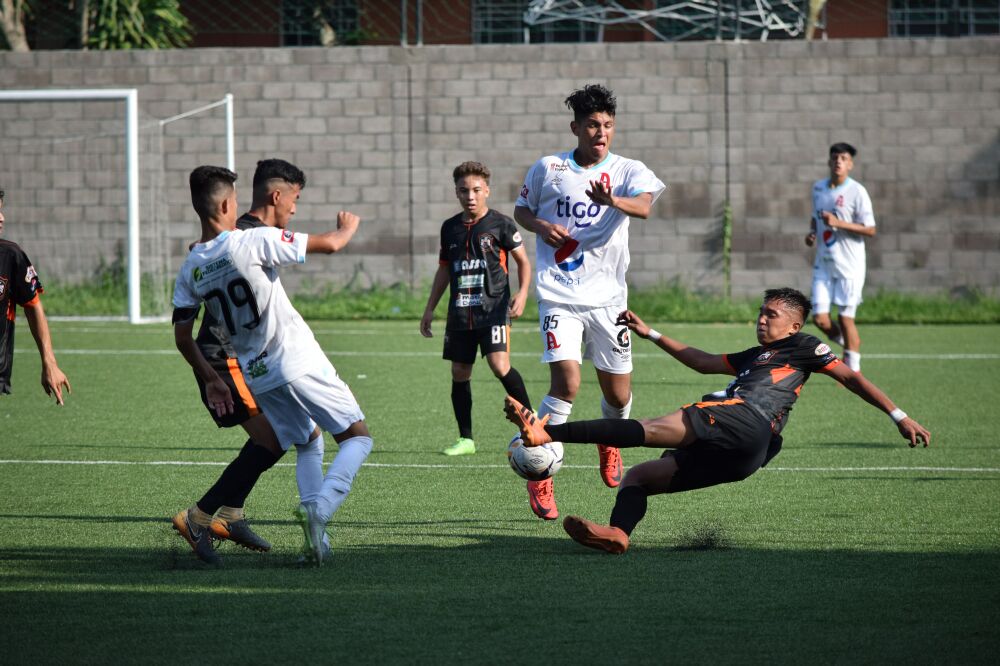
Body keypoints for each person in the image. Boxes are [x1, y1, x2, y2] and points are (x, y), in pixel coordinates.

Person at [503, 288, 930, 554]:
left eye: (771, 315)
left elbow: (851, 378)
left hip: (742, 419)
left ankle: (544, 433)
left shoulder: (804, 346)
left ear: (795, 325)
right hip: (745, 456)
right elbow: (703, 361)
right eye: (761, 312)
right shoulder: (756, 356)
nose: (761, 319)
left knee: (650, 429)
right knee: (639, 478)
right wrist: (651, 334)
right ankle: (618, 533)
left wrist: (899, 415)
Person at [172, 165, 371, 566]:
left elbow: (182, 337)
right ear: (226, 205)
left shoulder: (191, 266)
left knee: (308, 439)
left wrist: (210, 379)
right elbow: (331, 245)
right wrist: (348, 227)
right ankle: (320, 510)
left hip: (258, 375)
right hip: (296, 359)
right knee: (357, 439)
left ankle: (316, 542)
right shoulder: (253, 241)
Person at [513, 83, 665, 520]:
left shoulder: (628, 169)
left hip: (608, 299)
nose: (602, 133)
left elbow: (644, 207)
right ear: (575, 127)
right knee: (566, 384)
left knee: (618, 395)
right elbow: (522, 211)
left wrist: (611, 200)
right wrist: (541, 226)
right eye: (594, 125)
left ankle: (609, 439)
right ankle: (539, 467)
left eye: (608, 125)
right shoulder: (549, 168)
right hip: (559, 293)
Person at [420, 161, 533, 456]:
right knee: (459, 372)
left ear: (487, 191)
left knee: (499, 366)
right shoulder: (450, 228)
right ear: (456, 193)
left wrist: (522, 293)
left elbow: (523, 262)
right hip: (460, 313)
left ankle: (531, 422)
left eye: (476, 190)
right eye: (463, 190)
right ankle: (466, 439)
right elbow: (444, 269)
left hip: (494, 310)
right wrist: (430, 308)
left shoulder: (501, 224)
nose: (470, 196)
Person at [805, 142, 876, 374]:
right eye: (835, 157)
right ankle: (849, 343)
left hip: (850, 266)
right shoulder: (818, 188)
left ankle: (853, 372)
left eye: (843, 158)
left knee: (845, 319)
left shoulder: (857, 191)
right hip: (824, 264)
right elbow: (815, 218)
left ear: (850, 164)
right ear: (829, 161)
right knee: (820, 319)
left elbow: (870, 229)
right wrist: (812, 233)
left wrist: (839, 223)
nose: (838, 161)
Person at [0, 188, 71, 404]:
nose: (2, 218)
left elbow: (32, 306)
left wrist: (49, 362)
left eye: (1, 210)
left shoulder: (11, 256)